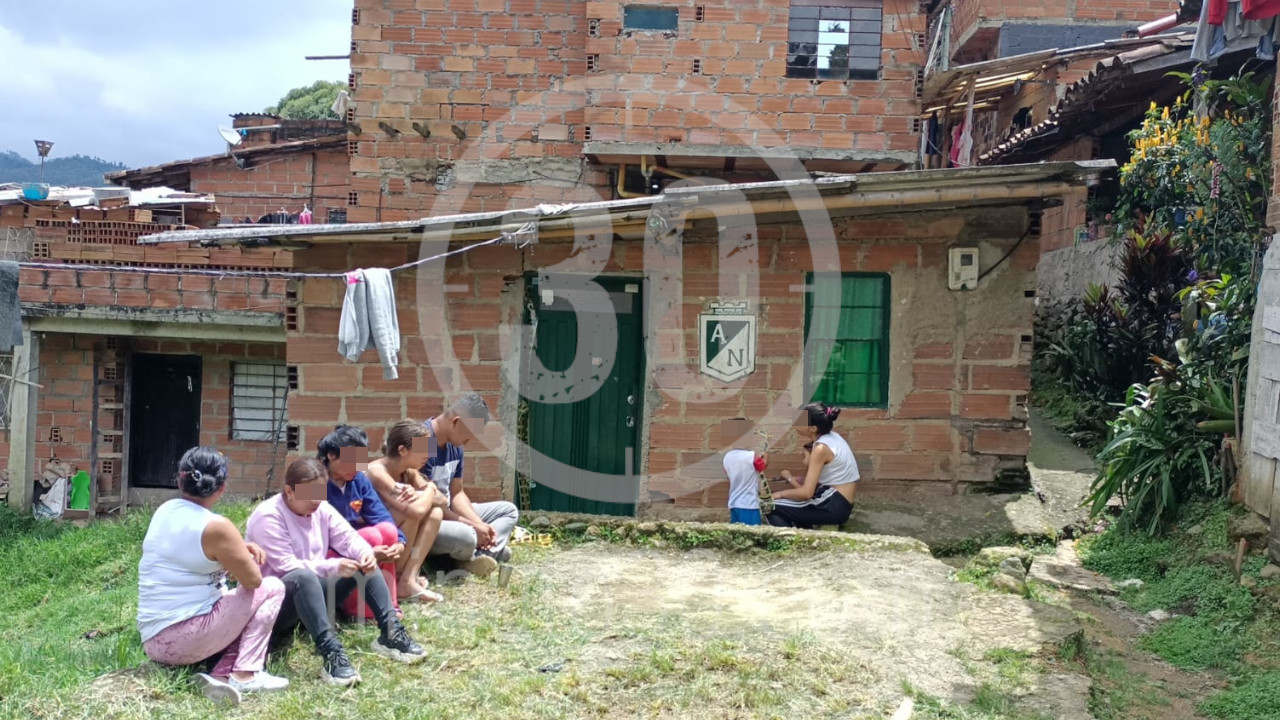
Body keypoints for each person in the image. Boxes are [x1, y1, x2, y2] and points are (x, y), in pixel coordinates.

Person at [246, 457, 426, 687]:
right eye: (308, 494)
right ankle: (331, 654)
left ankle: (391, 633)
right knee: (302, 577)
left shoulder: (321, 508)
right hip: (276, 605)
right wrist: (334, 566)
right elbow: (286, 566)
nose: (315, 500)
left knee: (362, 562)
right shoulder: (268, 516)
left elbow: (347, 536)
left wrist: (364, 553)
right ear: (289, 491)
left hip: (314, 595)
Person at [137, 447, 287, 706]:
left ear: (179, 481)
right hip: (187, 638)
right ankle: (246, 673)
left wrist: (236, 549)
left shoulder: (165, 510)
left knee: (234, 601)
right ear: (222, 487)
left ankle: (221, 675)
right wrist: (240, 553)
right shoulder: (217, 526)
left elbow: (194, 553)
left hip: (153, 639)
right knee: (273, 587)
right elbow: (252, 581)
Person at [422, 394, 520, 578]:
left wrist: (480, 524)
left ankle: (474, 558)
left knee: (508, 511)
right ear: (457, 422)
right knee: (467, 536)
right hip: (429, 519)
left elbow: (457, 493)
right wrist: (472, 526)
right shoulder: (421, 440)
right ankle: (477, 554)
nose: (470, 441)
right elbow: (428, 504)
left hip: (450, 513)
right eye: (470, 435)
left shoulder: (455, 446)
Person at [316, 425, 407, 617]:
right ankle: (359, 610)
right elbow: (312, 533)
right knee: (370, 536)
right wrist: (362, 551)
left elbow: (380, 514)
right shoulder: (314, 481)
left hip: (355, 544)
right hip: (326, 553)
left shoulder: (359, 480)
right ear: (331, 455)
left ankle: (390, 605)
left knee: (387, 532)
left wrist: (399, 541)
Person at [366, 420, 447, 603]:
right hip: (375, 543)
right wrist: (430, 489)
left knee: (435, 513)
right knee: (409, 515)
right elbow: (416, 511)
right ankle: (397, 579)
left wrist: (426, 492)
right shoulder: (377, 471)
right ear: (402, 450)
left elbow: (443, 501)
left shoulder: (409, 471)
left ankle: (407, 579)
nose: (428, 454)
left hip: (396, 539)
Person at [766, 403, 859, 528]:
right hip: (840, 503)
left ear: (813, 428)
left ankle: (792, 543)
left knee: (768, 505)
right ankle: (805, 533)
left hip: (832, 504)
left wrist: (778, 495)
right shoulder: (833, 437)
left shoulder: (821, 448)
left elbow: (806, 493)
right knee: (786, 504)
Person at [720, 417, 769, 525]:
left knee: (737, 533)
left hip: (733, 503)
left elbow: (728, 474)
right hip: (749, 503)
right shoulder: (752, 456)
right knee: (753, 533)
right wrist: (765, 456)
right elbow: (762, 466)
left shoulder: (727, 457)